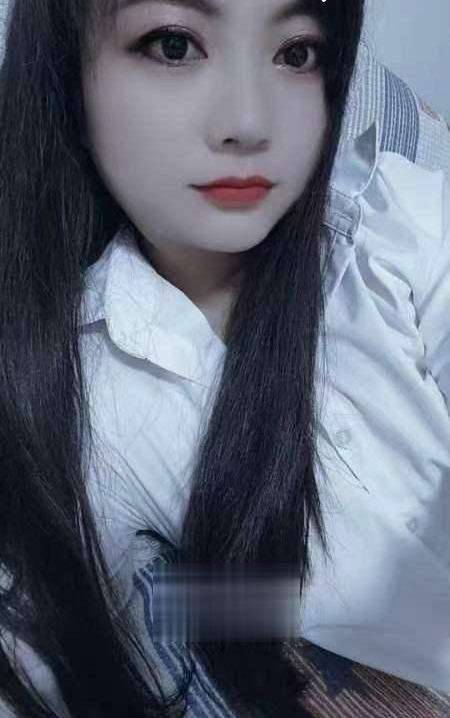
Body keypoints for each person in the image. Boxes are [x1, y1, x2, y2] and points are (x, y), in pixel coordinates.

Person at [1, 0, 449, 715]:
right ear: (68, 75)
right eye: (174, 46)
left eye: (296, 53)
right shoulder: (66, 406)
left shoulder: (397, 220)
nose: (248, 122)